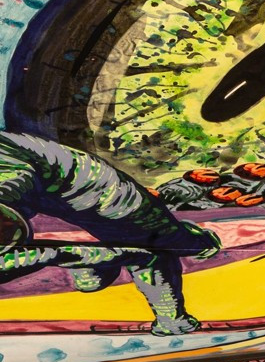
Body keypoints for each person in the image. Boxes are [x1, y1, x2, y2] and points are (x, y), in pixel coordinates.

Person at [0, 132, 220, 335]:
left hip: (83, 183)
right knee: (92, 278)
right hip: (37, 190)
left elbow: (18, 229)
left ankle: (175, 312)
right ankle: (104, 264)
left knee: (161, 240)